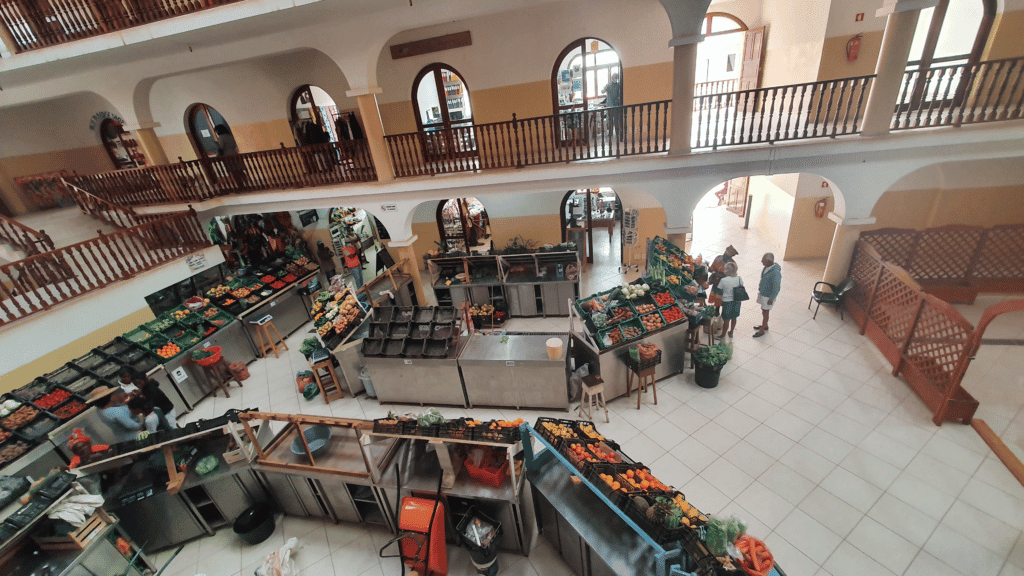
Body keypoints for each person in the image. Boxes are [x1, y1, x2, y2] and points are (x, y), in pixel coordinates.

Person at [754, 252, 782, 338]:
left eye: (763, 260)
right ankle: (764, 325)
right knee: (763, 310)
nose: (761, 262)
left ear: (769, 261)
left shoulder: (775, 273)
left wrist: (771, 298)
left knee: (766, 312)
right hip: (763, 293)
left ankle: (762, 329)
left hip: (768, 296)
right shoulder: (766, 268)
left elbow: (776, 287)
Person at [715, 262, 743, 339]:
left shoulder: (723, 280)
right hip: (737, 301)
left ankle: (723, 335)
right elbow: (741, 288)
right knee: (734, 317)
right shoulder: (739, 279)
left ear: (727, 271)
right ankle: (731, 332)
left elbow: (720, 291)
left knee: (726, 319)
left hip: (727, 302)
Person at [708, 245, 738, 311]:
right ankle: (717, 312)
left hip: (724, 286)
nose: (726, 253)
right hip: (717, 284)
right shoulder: (718, 258)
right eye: (726, 251)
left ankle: (721, 315)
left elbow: (733, 277)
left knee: (723, 303)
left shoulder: (732, 264)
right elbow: (711, 269)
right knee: (717, 303)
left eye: (728, 252)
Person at [601, 72, 623, 141]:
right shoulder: (608, 85)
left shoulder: (619, 85)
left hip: (616, 105)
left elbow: (621, 94)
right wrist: (604, 88)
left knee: (617, 120)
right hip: (610, 105)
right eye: (615, 78)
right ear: (612, 78)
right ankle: (610, 133)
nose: (616, 79)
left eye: (617, 78)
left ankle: (617, 133)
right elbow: (602, 91)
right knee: (610, 120)